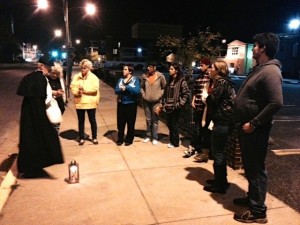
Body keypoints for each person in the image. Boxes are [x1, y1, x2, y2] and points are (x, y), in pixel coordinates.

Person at [233, 33, 283, 224]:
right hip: (247, 128)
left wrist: (253, 123)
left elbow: (276, 102)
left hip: (254, 130)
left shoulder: (271, 72)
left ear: (262, 48)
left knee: (256, 170)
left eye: (254, 46)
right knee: (250, 168)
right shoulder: (260, 69)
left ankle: (258, 212)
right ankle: (252, 199)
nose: (252, 49)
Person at [16, 56, 64, 178]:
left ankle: (29, 167)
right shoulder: (41, 80)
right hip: (39, 113)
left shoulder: (30, 77)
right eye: (48, 68)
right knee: (44, 138)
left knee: (29, 139)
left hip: (28, 114)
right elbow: (45, 98)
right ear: (42, 66)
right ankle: (35, 167)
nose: (49, 70)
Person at [203, 60, 235, 194]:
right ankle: (220, 180)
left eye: (212, 68)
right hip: (222, 121)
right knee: (218, 152)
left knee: (218, 153)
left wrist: (206, 94)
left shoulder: (221, 82)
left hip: (222, 122)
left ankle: (220, 184)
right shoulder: (223, 82)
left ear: (218, 70)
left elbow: (212, 100)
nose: (209, 70)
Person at [183, 58, 212, 162]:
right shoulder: (199, 77)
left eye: (203, 65)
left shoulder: (210, 77)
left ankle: (204, 151)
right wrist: (193, 100)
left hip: (206, 109)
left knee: (205, 130)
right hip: (198, 107)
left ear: (208, 65)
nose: (201, 66)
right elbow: (195, 90)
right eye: (200, 65)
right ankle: (195, 147)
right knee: (196, 128)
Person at [70, 59, 100, 145]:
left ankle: (94, 137)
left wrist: (84, 90)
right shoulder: (76, 77)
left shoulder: (94, 77)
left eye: (85, 68)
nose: (83, 69)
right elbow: (73, 86)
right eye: (82, 68)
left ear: (89, 68)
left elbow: (95, 89)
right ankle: (81, 137)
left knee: (92, 120)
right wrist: (77, 92)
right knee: (81, 121)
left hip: (90, 102)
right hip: (80, 102)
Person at [161, 62, 189, 148]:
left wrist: (180, 104)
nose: (169, 70)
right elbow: (165, 93)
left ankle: (175, 142)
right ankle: (172, 140)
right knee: (169, 124)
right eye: (169, 69)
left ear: (176, 70)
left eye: (171, 69)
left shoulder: (181, 81)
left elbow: (186, 93)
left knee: (174, 124)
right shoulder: (170, 80)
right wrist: (164, 103)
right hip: (168, 106)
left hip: (176, 106)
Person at [140, 61, 166, 145]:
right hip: (146, 101)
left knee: (155, 120)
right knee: (148, 120)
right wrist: (144, 95)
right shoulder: (144, 76)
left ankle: (155, 137)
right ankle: (148, 135)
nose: (148, 68)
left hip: (156, 102)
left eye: (150, 67)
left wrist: (159, 96)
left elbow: (164, 87)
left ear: (155, 68)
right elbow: (141, 87)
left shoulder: (160, 76)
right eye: (148, 66)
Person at [114, 64, 140, 146]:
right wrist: (122, 89)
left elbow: (136, 91)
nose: (123, 71)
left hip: (131, 104)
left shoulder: (135, 79)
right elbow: (116, 90)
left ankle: (129, 139)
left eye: (125, 69)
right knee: (121, 123)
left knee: (130, 123)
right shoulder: (121, 79)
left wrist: (127, 88)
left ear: (130, 71)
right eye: (123, 69)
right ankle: (120, 138)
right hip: (121, 104)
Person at [48, 61, 66, 132]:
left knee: (56, 124)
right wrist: (54, 93)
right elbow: (44, 90)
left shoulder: (60, 79)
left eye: (57, 73)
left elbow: (63, 89)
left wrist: (63, 97)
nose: (55, 75)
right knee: (52, 125)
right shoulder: (46, 79)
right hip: (50, 105)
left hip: (60, 104)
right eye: (53, 73)